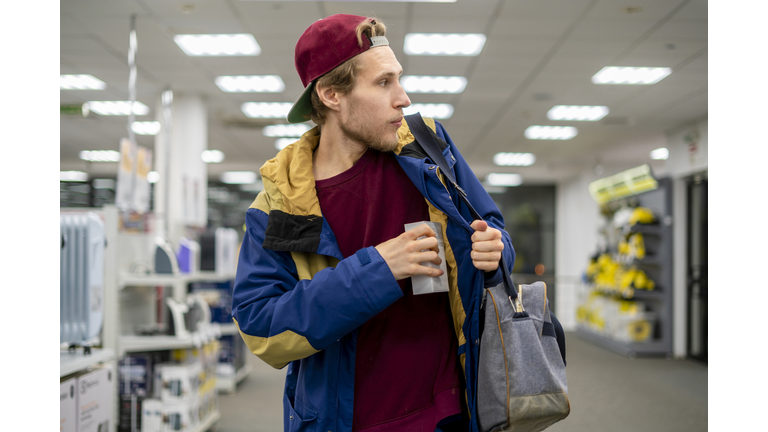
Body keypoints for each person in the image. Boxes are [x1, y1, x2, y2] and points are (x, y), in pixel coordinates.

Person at [232, 14, 517, 432]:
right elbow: (262, 327)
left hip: (449, 413)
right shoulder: (281, 202)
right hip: (344, 420)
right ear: (331, 95)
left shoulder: (427, 152)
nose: (402, 98)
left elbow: (489, 224)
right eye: (383, 83)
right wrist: (378, 270)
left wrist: (496, 248)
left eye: (399, 79)